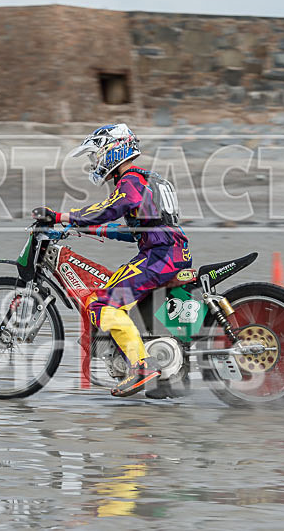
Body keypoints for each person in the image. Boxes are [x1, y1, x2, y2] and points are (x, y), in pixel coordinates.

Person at [32, 124, 192, 397]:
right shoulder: (148, 179)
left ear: (112, 150)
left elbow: (107, 210)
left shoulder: (130, 182)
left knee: (101, 305)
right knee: (117, 293)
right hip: (169, 252)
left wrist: (61, 216)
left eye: (97, 156)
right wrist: (84, 228)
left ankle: (142, 366)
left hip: (160, 256)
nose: (95, 163)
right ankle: (167, 376)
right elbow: (134, 231)